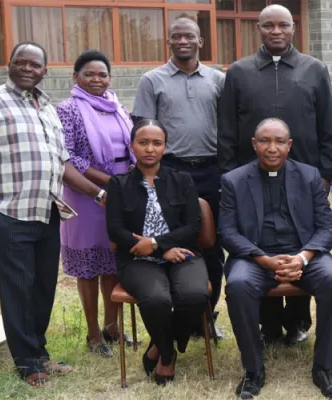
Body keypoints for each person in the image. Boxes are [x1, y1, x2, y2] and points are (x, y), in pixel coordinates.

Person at [0, 42, 105, 387]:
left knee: (43, 287)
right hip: (11, 214)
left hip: (49, 212)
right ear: (9, 65)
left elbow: (63, 165)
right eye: (21, 62)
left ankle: (39, 354)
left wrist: (100, 193)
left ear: (45, 71)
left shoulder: (46, 107)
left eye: (35, 64)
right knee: (17, 290)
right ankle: (28, 364)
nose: (28, 68)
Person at [218, 4, 332, 346]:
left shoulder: (314, 69)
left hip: (305, 183)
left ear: (293, 29)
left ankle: (298, 320)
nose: (276, 31)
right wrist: (231, 180)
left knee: (300, 243)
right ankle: (268, 325)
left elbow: (329, 128)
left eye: (283, 25)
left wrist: (325, 176)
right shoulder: (240, 72)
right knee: (259, 244)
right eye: (268, 25)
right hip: (251, 184)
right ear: (258, 29)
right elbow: (227, 130)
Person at [219, 118, 332, 399]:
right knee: (238, 285)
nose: (272, 148)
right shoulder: (234, 180)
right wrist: (263, 259)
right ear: (254, 145)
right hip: (255, 257)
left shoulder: (310, 176)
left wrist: (302, 258)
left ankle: (323, 367)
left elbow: (327, 228)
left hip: (304, 253)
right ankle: (253, 370)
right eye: (264, 141)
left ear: (289, 146)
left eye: (279, 141)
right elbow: (227, 232)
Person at [132, 17, 225, 338]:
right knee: (173, 242)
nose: (183, 41)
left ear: (201, 41)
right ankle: (177, 316)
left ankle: (206, 317)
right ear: (168, 42)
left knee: (213, 245)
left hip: (212, 171)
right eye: (176, 37)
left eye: (190, 36)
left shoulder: (217, 79)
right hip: (169, 173)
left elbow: (227, 125)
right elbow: (144, 132)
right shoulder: (151, 80)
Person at [106, 119, 209, 385]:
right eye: (143, 143)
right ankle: (166, 355)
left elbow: (193, 225)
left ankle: (159, 345)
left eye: (156, 143)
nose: (149, 149)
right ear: (132, 146)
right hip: (136, 258)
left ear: (165, 147)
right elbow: (115, 229)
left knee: (194, 294)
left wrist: (155, 244)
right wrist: (157, 250)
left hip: (182, 252)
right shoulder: (118, 184)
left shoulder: (182, 180)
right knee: (155, 298)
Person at [56, 50, 135, 357]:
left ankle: (112, 326)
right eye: (89, 74)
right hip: (86, 195)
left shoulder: (118, 107)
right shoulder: (68, 110)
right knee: (88, 266)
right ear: (76, 78)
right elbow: (71, 156)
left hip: (119, 193)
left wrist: (126, 183)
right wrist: (108, 184)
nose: (97, 79)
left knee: (113, 259)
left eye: (102, 74)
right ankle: (93, 335)